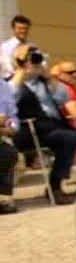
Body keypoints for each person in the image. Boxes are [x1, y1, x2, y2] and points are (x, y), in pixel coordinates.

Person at [10, 44, 76, 204]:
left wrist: (49, 77)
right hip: (29, 130)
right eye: (30, 59)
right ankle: (55, 188)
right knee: (70, 138)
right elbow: (9, 99)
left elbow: (63, 98)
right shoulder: (12, 81)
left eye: (36, 58)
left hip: (54, 127)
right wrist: (22, 70)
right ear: (20, 62)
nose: (34, 62)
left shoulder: (44, 81)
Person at [0, 77, 19, 214]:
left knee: (8, 152)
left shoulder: (4, 86)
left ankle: (2, 198)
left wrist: (11, 127)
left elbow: (12, 116)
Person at [1, 15, 32, 80]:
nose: (23, 31)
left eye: (25, 28)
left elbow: (42, 62)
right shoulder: (6, 46)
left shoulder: (32, 45)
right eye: (20, 28)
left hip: (30, 80)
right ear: (13, 29)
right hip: (12, 80)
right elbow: (7, 66)